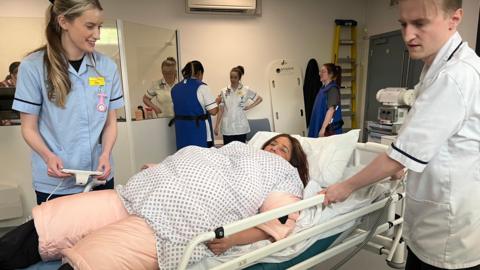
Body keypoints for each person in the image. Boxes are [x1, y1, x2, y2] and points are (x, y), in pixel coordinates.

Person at [322, 0, 480, 269]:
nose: (408, 35)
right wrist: (404, 163)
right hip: (432, 217)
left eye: (420, 23)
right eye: (403, 24)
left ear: (455, 18)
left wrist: (344, 187)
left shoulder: (455, 77)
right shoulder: (436, 66)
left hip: (447, 233)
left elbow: (397, 157)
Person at [0, 134, 309, 269]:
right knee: (53, 222)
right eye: (272, 143)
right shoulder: (235, 147)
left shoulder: (284, 174)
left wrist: (231, 239)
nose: (274, 149)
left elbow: (278, 221)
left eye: (283, 149)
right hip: (136, 193)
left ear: (292, 161)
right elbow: (199, 160)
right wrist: (162, 169)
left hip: (173, 221)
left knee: (93, 258)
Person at [12, 0, 124, 205]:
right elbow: (29, 128)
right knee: (61, 238)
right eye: (90, 26)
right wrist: (47, 157)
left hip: (98, 178)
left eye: (99, 26)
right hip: (55, 183)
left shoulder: (107, 67)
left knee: (100, 236)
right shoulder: (33, 67)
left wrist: (106, 154)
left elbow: (110, 123)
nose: (97, 35)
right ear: (64, 22)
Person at [171, 60, 218, 149]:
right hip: (199, 132)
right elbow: (213, 111)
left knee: (184, 159)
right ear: (200, 72)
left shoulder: (175, 88)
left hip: (181, 131)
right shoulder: (202, 87)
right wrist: (217, 102)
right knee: (201, 160)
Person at [214, 66, 263, 145]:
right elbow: (221, 110)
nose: (232, 79)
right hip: (227, 128)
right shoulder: (224, 91)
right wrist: (216, 126)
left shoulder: (245, 90)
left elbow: (259, 99)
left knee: (241, 152)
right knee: (228, 151)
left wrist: (248, 107)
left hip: (241, 127)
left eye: (235, 77)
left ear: (239, 78)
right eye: (231, 77)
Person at [307, 63, 343, 137]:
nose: (320, 73)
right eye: (320, 71)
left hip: (328, 130)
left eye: (323, 71)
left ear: (330, 74)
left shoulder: (332, 89)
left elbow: (331, 110)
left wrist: (323, 129)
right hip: (318, 124)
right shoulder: (323, 88)